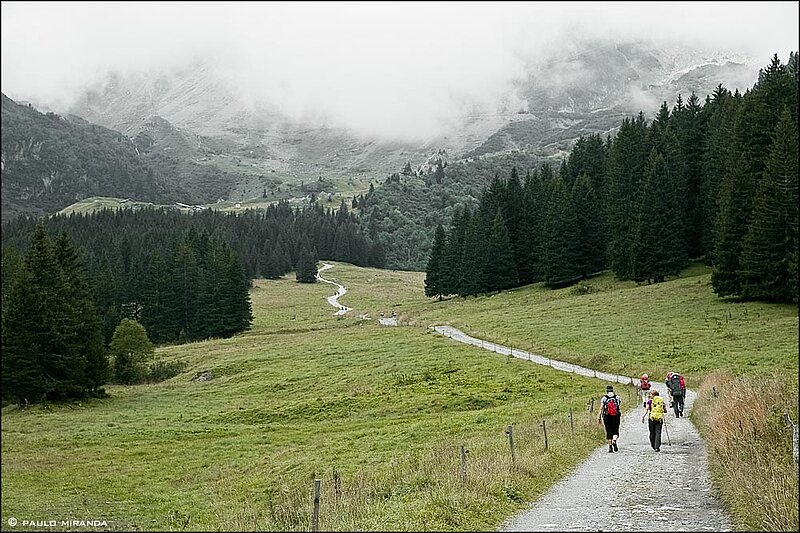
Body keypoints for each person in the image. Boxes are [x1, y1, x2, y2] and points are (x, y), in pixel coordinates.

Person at [597, 385, 621, 452]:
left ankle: (610, 447)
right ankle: (614, 441)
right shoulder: (617, 397)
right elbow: (618, 406)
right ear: (612, 390)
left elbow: (601, 408)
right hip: (616, 416)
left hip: (607, 416)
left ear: (607, 391)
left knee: (608, 431)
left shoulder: (604, 398)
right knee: (615, 430)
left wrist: (599, 416)